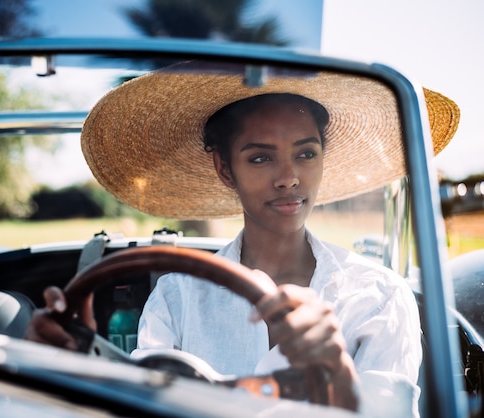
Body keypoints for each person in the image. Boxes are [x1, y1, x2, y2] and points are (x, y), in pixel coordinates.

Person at [26, 62, 460, 416]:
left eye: (306, 153)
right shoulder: (177, 296)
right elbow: (144, 403)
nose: (289, 178)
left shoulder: (380, 296)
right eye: (260, 157)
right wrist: (75, 366)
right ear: (224, 168)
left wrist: (336, 374)